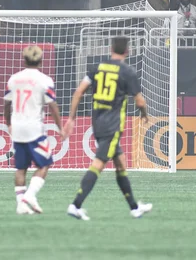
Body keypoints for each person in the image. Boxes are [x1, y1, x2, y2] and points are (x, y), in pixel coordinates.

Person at [63, 37, 152, 221]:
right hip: (113, 125)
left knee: (120, 162)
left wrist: (71, 118)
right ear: (127, 51)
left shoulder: (96, 68)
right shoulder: (127, 72)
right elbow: (140, 101)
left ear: (111, 49)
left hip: (97, 121)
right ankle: (76, 204)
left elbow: (79, 92)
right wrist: (144, 113)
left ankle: (135, 208)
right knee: (99, 164)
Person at [3, 45, 64, 215]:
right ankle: (29, 195)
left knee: (20, 169)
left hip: (18, 127)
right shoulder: (45, 80)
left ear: (24, 59)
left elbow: (7, 104)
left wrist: (8, 123)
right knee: (45, 164)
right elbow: (52, 106)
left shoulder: (14, 79)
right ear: (41, 60)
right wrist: (60, 128)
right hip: (34, 129)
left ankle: (20, 205)